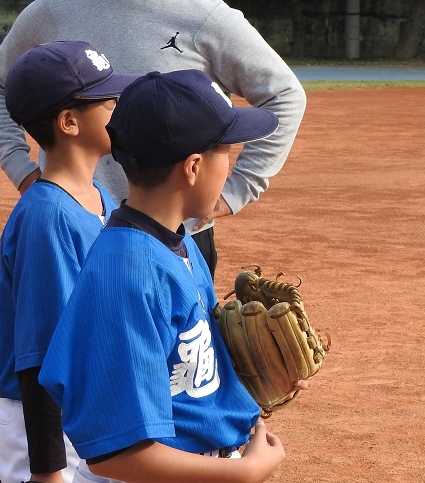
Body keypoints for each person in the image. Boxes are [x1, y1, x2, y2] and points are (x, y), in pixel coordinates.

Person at [0, 0, 306, 278]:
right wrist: (22, 170)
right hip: (78, 226)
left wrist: (234, 192)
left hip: (174, 235)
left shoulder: (206, 16)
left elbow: (284, 95)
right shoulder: (54, 9)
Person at [39, 70, 294, 483]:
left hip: (202, 464)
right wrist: (243, 473)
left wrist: (258, 375)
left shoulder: (178, 240)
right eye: (226, 154)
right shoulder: (127, 276)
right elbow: (115, 453)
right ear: (193, 166)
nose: (229, 169)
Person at [0, 41, 138, 483]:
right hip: (38, 425)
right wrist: (48, 471)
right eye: (108, 102)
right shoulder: (48, 216)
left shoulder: (99, 195)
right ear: (69, 122)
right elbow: (40, 352)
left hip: (83, 405)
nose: (120, 108)